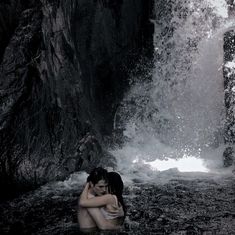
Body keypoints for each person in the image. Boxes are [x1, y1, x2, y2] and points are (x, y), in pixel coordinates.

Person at [78, 167, 122, 232]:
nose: (104, 190)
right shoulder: (89, 199)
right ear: (92, 184)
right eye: (100, 186)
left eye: (106, 186)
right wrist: (120, 228)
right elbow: (103, 226)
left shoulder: (90, 196)